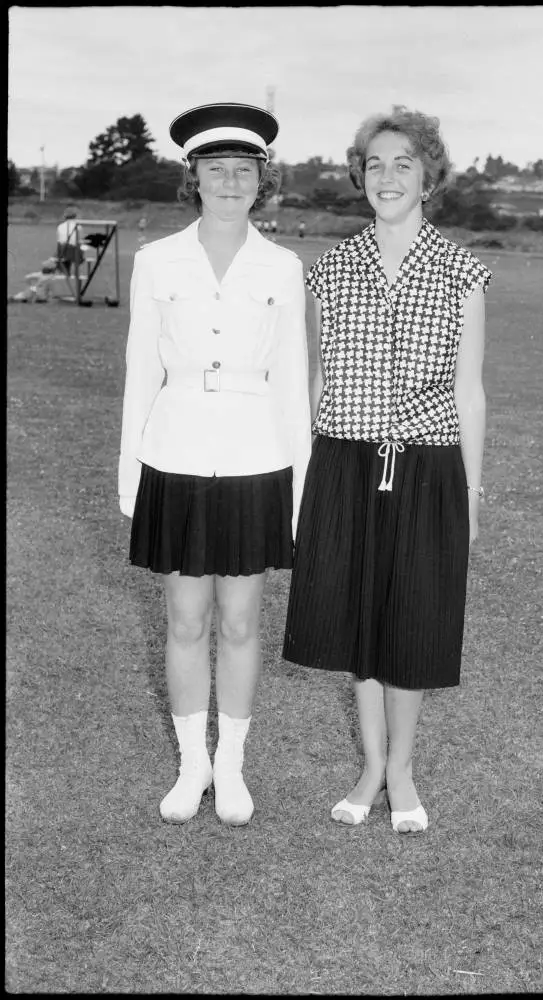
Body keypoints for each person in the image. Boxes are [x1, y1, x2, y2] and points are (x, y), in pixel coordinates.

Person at [283, 106, 491, 834]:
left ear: (429, 177)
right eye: (374, 163)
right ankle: (370, 766)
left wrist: (471, 488)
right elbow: (317, 380)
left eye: (403, 162)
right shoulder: (331, 269)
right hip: (344, 460)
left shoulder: (461, 270)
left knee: (411, 620)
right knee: (358, 621)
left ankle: (401, 770)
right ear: (358, 176)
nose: (387, 176)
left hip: (429, 467)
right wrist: (306, 474)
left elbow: (469, 391)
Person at [119, 102, 311, 826]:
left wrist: (297, 484)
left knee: (239, 623)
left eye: (244, 170)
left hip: (256, 457)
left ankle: (230, 766)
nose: (229, 182)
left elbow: (292, 380)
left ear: (261, 181)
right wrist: (131, 475)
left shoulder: (284, 266)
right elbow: (140, 370)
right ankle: (190, 765)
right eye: (215, 169)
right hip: (174, 450)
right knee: (184, 617)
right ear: (192, 178)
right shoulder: (156, 260)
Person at [56, 204, 83, 275]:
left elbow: (59, 241)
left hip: (62, 250)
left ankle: (64, 271)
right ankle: (76, 271)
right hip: (74, 251)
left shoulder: (60, 226)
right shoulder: (78, 227)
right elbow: (79, 241)